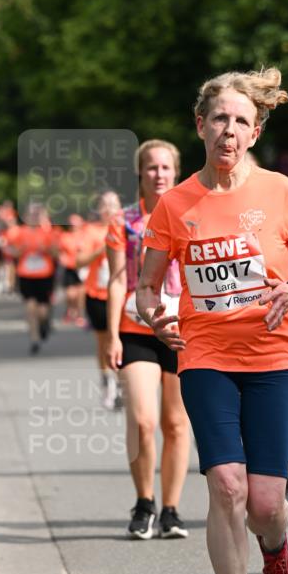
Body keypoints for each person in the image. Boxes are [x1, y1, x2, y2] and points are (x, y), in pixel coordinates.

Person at [137, 67, 288, 574]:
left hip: (276, 352)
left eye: (242, 121)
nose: (229, 130)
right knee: (226, 485)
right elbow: (146, 287)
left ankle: (275, 545)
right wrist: (153, 315)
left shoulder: (279, 190)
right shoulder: (175, 203)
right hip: (207, 355)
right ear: (201, 125)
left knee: (266, 502)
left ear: (255, 130)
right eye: (219, 118)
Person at [106, 140, 191, 540]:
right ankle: (144, 502)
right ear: (140, 173)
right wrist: (111, 337)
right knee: (143, 420)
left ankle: (171, 509)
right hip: (135, 326)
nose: (159, 174)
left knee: (175, 422)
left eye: (166, 168)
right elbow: (118, 279)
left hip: (180, 329)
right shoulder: (123, 221)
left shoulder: (191, 215)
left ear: (176, 172)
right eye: (152, 167)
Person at [77, 191, 121, 409]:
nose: (110, 209)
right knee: (104, 342)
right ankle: (108, 383)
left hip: (122, 296)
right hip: (97, 294)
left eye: (114, 204)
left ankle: (122, 382)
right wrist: (102, 249)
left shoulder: (126, 228)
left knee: (124, 340)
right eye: (105, 205)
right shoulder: (90, 231)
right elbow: (78, 261)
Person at [2, 202, 58, 354]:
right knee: (30, 307)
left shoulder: (49, 232)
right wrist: (20, 251)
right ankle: (34, 339)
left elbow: (56, 253)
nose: (34, 217)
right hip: (26, 274)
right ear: (25, 217)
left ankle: (44, 323)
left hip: (45, 274)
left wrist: (46, 250)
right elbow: (9, 250)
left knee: (42, 311)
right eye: (31, 214)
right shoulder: (19, 232)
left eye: (36, 214)